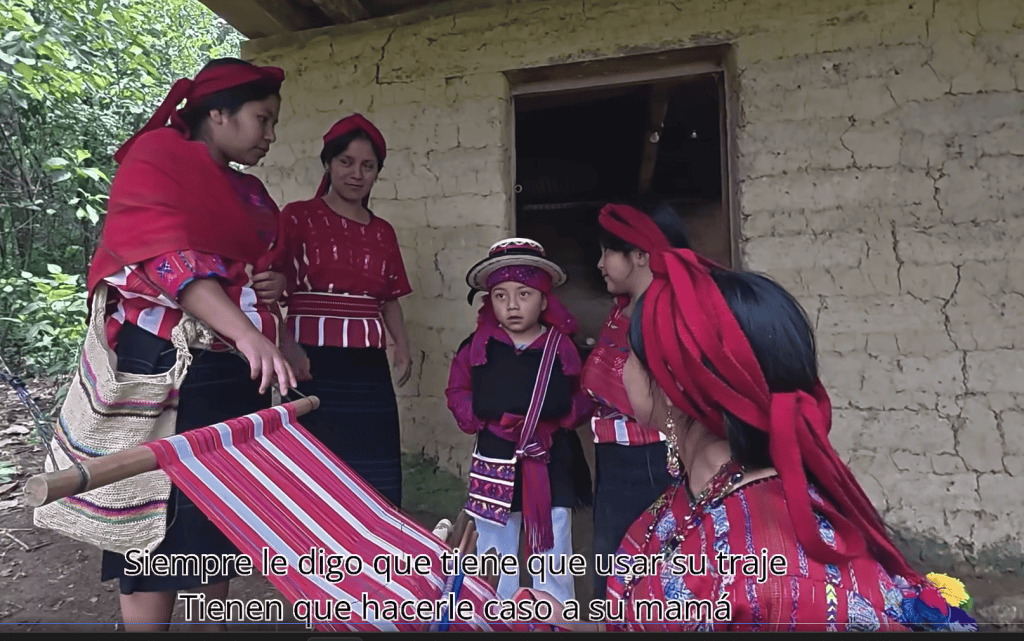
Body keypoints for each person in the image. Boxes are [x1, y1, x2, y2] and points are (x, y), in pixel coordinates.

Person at [512, 204, 978, 631]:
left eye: (630, 357)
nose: (619, 367)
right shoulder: (702, 494)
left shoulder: (769, 576)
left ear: (671, 380)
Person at [84, 57, 299, 631]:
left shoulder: (250, 194)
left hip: (229, 372)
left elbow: (253, 267)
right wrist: (249, 332)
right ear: (219, 114)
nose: (271, 135)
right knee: (150, 513)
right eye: (263, 119)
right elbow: (165, 258)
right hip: (161, 366)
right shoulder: (155, 161)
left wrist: (269, 288)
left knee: (217, 513)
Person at [445, 238, 593, 604]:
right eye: (501, 295)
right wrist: (477, 417)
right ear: (489, 300)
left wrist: (561, 420)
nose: (512, 305)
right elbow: (457, 391)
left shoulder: (562, 347)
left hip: (550, 456)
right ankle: (495, 610)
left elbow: (582, 393)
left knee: (554, 534)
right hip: (496, 455)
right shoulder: (476, 347)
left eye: (524, 294)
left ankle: (554, 612)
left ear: (544, 300)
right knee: (495, 539)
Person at [279, 114, 411, 508]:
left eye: (367, 166)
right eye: (346, 162)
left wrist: (401, 346)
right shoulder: (298, 217)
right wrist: (290, 350)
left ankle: (375, 553)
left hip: (368, 366)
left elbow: (389, 298)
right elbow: (269, 292)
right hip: (312, 361)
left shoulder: (382, 231)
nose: (357, 174)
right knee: (316, 464)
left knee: (374, 463)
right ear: (327, 163)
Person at [581, 202, 690, 600]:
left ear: (641, 255)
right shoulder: (625, 311)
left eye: (609, 251)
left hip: (649, 459)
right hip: (617, 457)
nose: (600, 263)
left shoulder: (662, 315)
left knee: (630, 573)